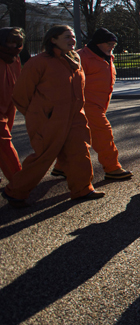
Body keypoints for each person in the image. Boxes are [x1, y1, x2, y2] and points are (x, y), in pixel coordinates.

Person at [2, 25, 103, 208]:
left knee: (80, 152)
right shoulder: (38, 62)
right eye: (67, 37)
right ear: (52, 40)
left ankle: (82, 189)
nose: (72, 40)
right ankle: (14, 191)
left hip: (75, 118)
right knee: (43, 157)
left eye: (73, 36)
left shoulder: (75, 59)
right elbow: (21, 95)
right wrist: (40, 114)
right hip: (48, 120)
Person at [51, 28, 132, 181]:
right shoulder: (82, 57)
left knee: (79, 138)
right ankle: (112, 167)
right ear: (98, 43)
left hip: (98, 104)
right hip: (87, 105)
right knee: (103, 134)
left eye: (114, 44)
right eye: (109, 43)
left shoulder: (107, 57)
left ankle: (61, 167)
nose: (112, 46)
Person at [0, 28, 24, 182]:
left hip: (10, 104)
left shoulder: (15, 58)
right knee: (4, 142)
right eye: (10, 41)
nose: (14, 45)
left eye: (17, 42)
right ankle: (19, 181)